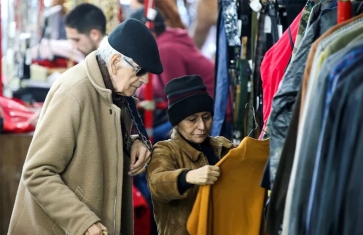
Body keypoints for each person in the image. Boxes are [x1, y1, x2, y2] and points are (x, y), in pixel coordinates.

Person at [7, 19, 163, 235]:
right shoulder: (74, 93)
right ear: (116, 61)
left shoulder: (114, 89)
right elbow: (38, 172)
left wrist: (135, 140)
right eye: (140, 71)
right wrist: (82, 222)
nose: (145, 80)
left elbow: (107, 133)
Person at [146, 75, 236, 235]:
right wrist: (187, 177)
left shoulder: (222, 146)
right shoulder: (165, 150)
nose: (202, 126)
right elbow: (156, 184)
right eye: (192, 119)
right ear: (177, 122)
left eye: (206, 117)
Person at [131, 8, 215, 142]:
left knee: (149, 138)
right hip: (199, 107)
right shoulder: (169, 40)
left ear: (149, 33)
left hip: (207, 112)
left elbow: (176, 96)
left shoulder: (166, 50)